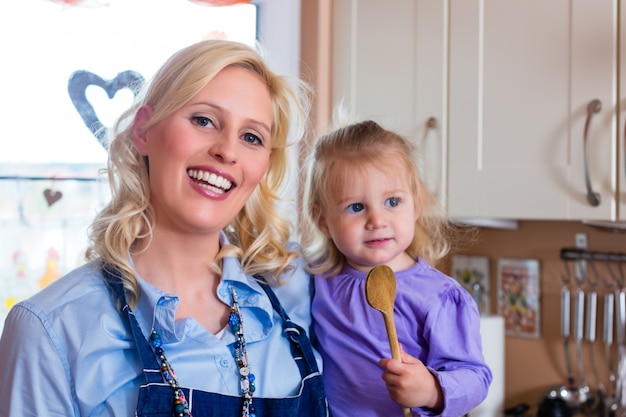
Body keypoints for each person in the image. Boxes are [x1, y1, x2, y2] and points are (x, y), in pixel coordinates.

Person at [0, 40, 330, 417]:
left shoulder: (297, 301)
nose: (228, 150)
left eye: (251, 137)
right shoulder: (51, 330)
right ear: (143, 131)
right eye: (204, 120)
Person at [300, 120, 492, 417]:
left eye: (392, 201)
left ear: (415, 205)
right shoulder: (317, 278)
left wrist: (430, 390)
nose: (377, 220)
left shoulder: (439, 297)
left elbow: (475, 377)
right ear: (323, 220)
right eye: (356, 207)